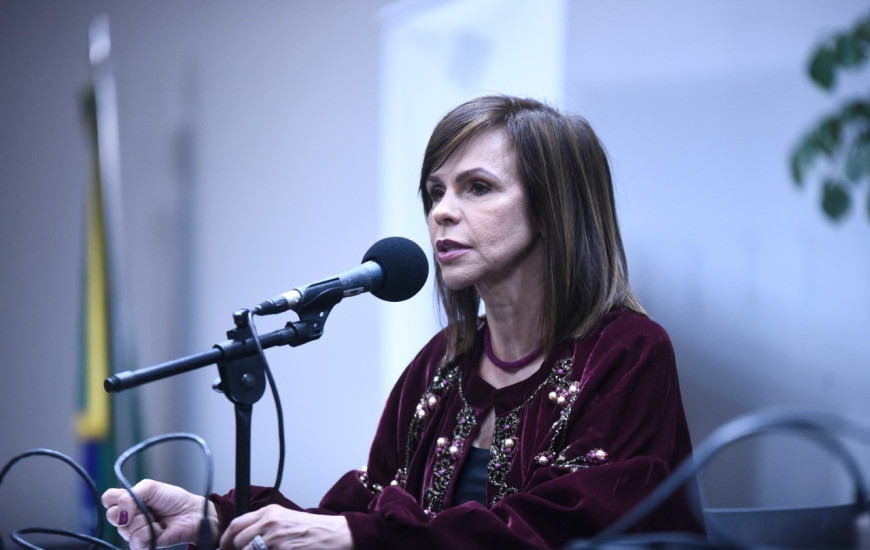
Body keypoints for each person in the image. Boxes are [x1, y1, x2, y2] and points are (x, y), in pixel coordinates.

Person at [102, 95, 703, 550]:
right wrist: (216, 516)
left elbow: (566, 526)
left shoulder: (628, 352)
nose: (442, 211)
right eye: (435, 191)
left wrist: (365, 539)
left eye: (477, 188)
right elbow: (359, 507)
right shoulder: (445, 362)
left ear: (553, 210)